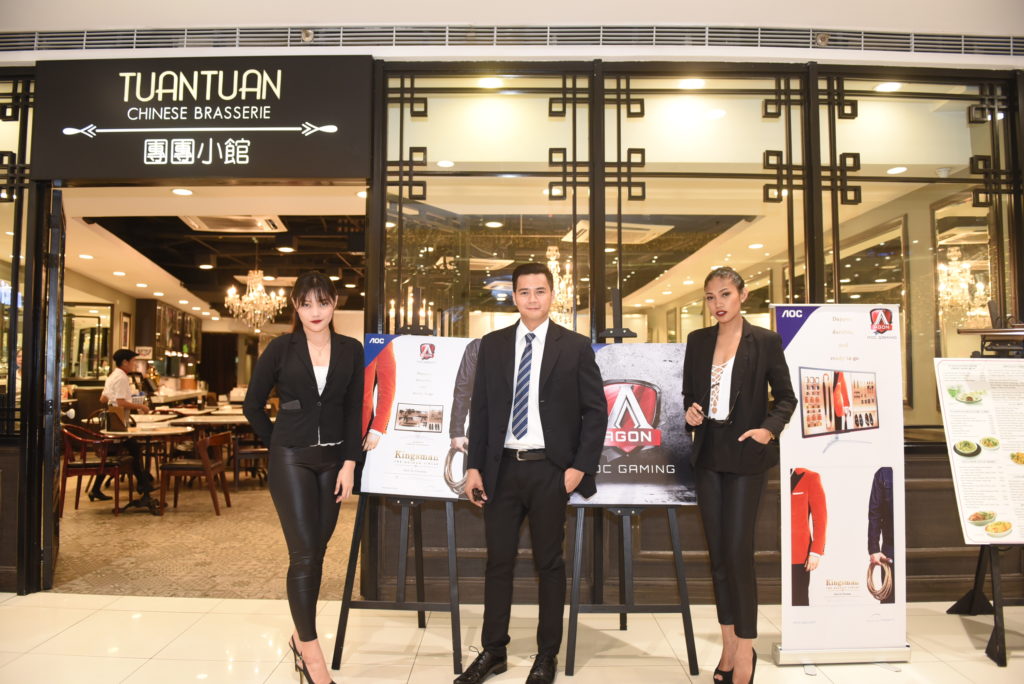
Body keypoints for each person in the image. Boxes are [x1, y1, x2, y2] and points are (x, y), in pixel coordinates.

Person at [459, 263, 607, 684]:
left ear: (552, 295)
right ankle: (493, 651)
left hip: (550, 471)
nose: (532, 299)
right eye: (524, 292)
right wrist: (474, 467)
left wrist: (578, 468)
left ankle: (546, 655)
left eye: (540, 291)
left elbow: (596, 412)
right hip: (501, 470)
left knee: (550, 563)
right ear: (514, 297)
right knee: (498, 563)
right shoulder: (492, 345)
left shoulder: (575, 346)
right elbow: (481, 411)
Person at [243, 271, 364, 684]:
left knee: (319, 550)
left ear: (335, 304)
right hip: (291, 461)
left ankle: (299, 638)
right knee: (304, 555)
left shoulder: (350, 349)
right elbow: (252, 405)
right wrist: (279, 443)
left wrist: (350, 463)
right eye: (307, 303)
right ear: (295, 305)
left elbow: (354, 409)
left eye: (323, 302)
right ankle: (312, 656)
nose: (316, 311)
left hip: (334, 463)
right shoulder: (281, 348)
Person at [682, 266, 796, 684]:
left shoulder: (764, 341)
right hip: (708, 455)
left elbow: (786, 398)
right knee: (718, 557)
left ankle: (745, 649)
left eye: (725, 294)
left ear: (743, 295)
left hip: (747, 457)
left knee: (737, 552)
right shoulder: (697, 341)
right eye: (710, 297)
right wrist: (691, 412)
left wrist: (768, 429)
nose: (718, 304)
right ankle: (728, 644)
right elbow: (689, 394)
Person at [94, 348, 155, 501]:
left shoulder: (112, 376)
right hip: (118, 421)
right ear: (125, 362)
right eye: (133, 361)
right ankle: (143, 484)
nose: (135, 364)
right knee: (134, 450)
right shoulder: (121, 378)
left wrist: (115, 400)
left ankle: (142, 483)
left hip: (112, 421)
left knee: (124, 452)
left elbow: (102, 399)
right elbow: (121, 402)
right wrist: (140, 406)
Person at [790, 467, 827, 607]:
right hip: (778, 548)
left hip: (799, 554)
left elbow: (820, 518)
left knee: (798, 600)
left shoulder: (810, 477)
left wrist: (815, 551)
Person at [867, 466, 895, 604]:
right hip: (890, 548)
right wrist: (874, 549)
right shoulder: (883, 473)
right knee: (889, 599)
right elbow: (875, 514)